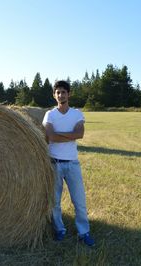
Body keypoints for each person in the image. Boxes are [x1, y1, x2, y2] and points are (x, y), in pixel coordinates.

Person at [42, 80, 95, 247]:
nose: (60, 95)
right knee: (55, 201)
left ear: (69, 94)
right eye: (58, 92)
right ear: (54, 95)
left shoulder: (77, 114)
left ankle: (83, 232)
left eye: (63, 92)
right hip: (54, 164)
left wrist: (59, 135)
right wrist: (69, 135)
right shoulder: (50, 115)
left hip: (72, 163)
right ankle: (60, 229)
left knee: (79, 201)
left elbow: (80, 134)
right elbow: (51, 136)